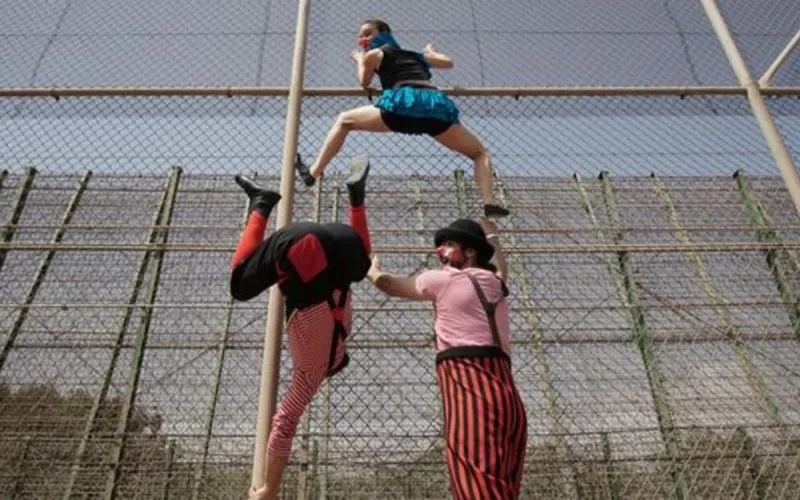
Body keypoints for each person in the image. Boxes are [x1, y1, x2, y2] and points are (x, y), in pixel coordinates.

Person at [230, 156, 373, 500]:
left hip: (341, 241)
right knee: (239, 285)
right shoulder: (312, 372)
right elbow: (284, 423)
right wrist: (269, 489)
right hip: (303, 248)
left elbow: (356, 270)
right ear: (332, 364)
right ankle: (262, 204)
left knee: (361, 265)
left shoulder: (345, 325)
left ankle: (357, 202)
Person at [366, 218, 527, 499]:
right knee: (502, 489)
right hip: (508, 397)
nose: (441, 250)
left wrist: (368, 269)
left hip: (472, 390)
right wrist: (491, 229)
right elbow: (502, 266)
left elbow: (390, 285)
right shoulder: (494, 282)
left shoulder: (441, 279)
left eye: (450, 244)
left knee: (475, 488)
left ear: (470, 252)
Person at [294, 18, 510, 219]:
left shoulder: (374, 55)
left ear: (383, 33)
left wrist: (360, 60)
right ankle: (489, 202)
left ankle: (313, 172)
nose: (364, 39)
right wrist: (431, 52)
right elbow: (448, 63)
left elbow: (364, 82)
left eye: (368, 34)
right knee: (480, 153)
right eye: (361, 36)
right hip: (434, 109)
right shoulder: (416, 56)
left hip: (402, 105)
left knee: (344, 120)